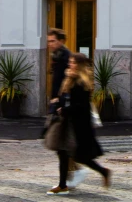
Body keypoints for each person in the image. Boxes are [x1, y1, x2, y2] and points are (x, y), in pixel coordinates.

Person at [47, 53, 111, 196]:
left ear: (80, 65)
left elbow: (81, 106)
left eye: (74, 62)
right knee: (62, 152)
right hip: (67, 122)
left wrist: (65, 109)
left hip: (78, 125)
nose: (71, 64)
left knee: (80, 157)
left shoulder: (82, 83)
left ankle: (103, 171)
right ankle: (62, 185)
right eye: (70, 62)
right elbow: (65, 98)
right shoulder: (69, 79)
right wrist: (58, 104)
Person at [46, 30, 87, 190]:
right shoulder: (56, 56)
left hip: (63, 106)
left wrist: (60, 100)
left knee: (61, 144)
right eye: (49, 41)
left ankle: (72, 175)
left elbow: (69, 82)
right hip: (58, 104)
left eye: (53, 41)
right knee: (59, 144)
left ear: (61, 41)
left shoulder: (65, 58)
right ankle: (71, 174)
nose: (50, 44)